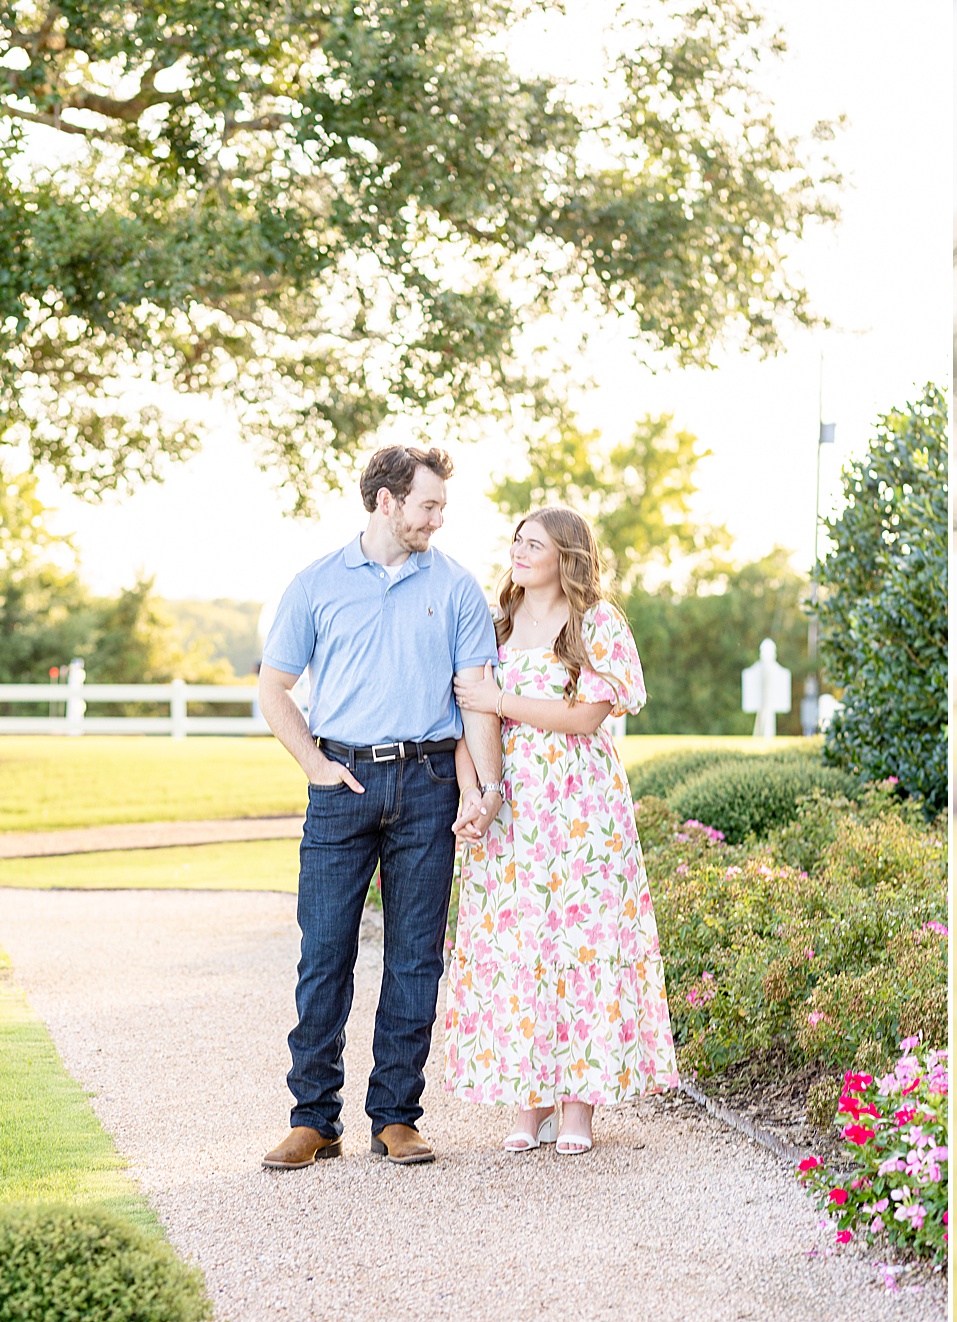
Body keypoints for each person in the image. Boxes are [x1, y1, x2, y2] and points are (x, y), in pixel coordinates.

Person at [257, 444, 503, 1170]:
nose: (437, 518)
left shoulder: (456, 586)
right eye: (428, 505)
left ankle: (396, 1117)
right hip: (342, 785)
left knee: (415, 958)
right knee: (325, 951)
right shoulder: (315, 584)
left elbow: (476, 697)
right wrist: (315, 765)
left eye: (441, 507)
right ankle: (313, 1120)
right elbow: (274, 689)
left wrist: (483, 789)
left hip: (428, 783)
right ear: (387, 501)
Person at [438, 506, 678, 1155]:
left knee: (582, 945)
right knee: (520, 945)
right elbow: (470, 721)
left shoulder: (597, 621)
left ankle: (578, 1108)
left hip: (581, 806)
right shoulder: (494, 625)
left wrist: (501, 702)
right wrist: (475, 794)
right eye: (517, 540)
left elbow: (586, 716)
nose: (519, 550)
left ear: (565, 554)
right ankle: (528, 1100)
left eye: (534, 542)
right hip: (512, 807)